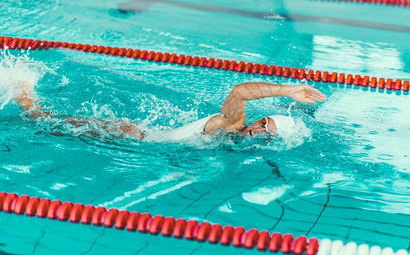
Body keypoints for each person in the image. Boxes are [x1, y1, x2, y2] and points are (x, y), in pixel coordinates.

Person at [14, 81, 326, 141]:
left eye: (266, 130)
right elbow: (240, 92)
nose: (257, 128)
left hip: (143, 137)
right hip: (133, 137)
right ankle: (19, 88)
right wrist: (288, 90)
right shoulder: (232, 125)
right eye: (262, 120)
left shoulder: (234, 141)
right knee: (42, 123)